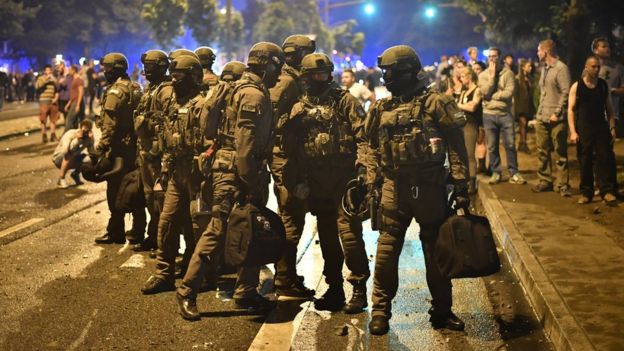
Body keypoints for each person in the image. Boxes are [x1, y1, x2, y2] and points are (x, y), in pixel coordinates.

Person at [361, 45, 469, 335]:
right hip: (394, 186)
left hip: (430, 185)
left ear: (408, 71)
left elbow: (457, 146)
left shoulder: (435, 103)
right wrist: (372, 181)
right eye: (384, 72)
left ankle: (443, 310)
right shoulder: (382, 107)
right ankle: (381, 311)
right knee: (385, 251)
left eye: (390, 72)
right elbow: (369, 146)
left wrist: (461, 184)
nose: (386, 77)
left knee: (435, 251)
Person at [175, 42, 284, 320]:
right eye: (277, 66)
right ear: (268, 65)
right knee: (217, 230)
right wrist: (249, 179)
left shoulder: (234, 87)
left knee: (250, 229)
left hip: (232, 168)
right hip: (238, 172)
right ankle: (187, 290)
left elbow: (207, 127)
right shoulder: (253, 96)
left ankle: (245, 291)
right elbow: (246, 144)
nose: (279, 72)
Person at [281, 53, 371, 313]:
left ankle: (359, 289)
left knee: (350, 236)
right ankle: (335, 289)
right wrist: (295, 180)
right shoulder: (298, 106)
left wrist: (364, 171)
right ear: (306, 78)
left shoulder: (345, 101)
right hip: (317, 181)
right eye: (316, 75)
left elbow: (363, 137)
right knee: (329, 240)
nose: (321, 78)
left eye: (324, 74)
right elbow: (290, 146)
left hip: (344, 179)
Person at [140, 53, 208, 294]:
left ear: (192, 77)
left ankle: (200, 273)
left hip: (197, 176)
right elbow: (165, 137)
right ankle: (163, 274)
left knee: (198, 226)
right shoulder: (171, 103)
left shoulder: (203, 104)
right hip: (176, 173)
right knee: (166, 223)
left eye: (179, 76)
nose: (174, 80)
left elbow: (211, 141)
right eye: (173, 75)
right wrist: (165, 169)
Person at [267, 34, 317, 299]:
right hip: (286, 157)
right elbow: (272, 117)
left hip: (295, 155)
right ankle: (284, 278)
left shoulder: (296, 77)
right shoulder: (286, 81)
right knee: (291, 216)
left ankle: (286, 275)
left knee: (294, 214)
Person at [93, 52, 146, 245]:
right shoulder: (135, 87)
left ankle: (116, 231)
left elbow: (110, 124)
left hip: (118, 149)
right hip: (134, 146)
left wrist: (101, 148)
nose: (104, 72)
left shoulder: (115, 91)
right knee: (134, 189)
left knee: (115, 190)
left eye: (106, 69)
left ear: (114, 70)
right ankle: (139, 230)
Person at [131, 49, 171, 253]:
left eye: (151, 66)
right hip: (146, 151)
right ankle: (153, 235)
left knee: (160, 199)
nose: (146, 70)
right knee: (149, 197)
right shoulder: (150, 89)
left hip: (157, 153)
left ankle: (163, 241)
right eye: (145, 66)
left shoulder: (166, 90)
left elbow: (166, 123)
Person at [568, 56, 618, 205]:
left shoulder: (603, 85)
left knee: (604, 158)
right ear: (586, 67)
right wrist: (573, 131)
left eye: (598, 67)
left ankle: (606, 191)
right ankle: (586, 192)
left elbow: (609, 109)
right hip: (584, 127)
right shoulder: (577, 86)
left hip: (601, 127)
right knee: (585, 160)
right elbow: (570, 110)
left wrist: (612, 127)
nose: (596, 70)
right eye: (593, 67)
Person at [478, 47, 526, 185]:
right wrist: (492, 78)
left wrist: (492, 96)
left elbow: (508, 93)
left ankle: (514, 172)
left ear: (500, 58)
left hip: (505, 114)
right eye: (490, 56)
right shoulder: (483, 75)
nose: (492, 59)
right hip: (489, 115)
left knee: (510, 144)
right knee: (492, 146)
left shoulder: (508, 74)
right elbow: (485, 92)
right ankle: (496, 172)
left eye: (495, 56)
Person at [533, 39, 571, 195]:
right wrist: (538, 115)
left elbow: (566, 92)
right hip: (542, 117)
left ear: (545, 51)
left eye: (538, 50)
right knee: (542, 150)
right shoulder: (545, 68)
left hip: (556, 118)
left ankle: (562, 184)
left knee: (559, 151)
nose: (537, 53)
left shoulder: (561, 68)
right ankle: (545, 180)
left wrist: (557, 112)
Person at [457, 67, 483, 194]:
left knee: (470, 154)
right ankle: (466, 180)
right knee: (463, 155)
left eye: (462, 76)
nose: (461, 79)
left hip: (471, 125)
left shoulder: (477, 90)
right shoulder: (463, 92)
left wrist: (459, 106)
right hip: (462, 125)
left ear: (469, 77)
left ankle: (472, 182)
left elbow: (473, 107)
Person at [592, 37, 624, 138]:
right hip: (593, 115)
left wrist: (612, 90)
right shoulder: (588, 68)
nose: (608, 48)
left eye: (609, 46)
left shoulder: (618, 68)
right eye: (604, 46)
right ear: (595, 50)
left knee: (608, 149)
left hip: (612, 116)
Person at [53, 119, 95, 188]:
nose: (85, 133)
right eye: (84, 130)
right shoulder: (71, 133)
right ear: (80, 128)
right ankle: (61, 179)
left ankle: (75, 174)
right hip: (59, 158)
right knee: (69, 154)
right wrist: (77, 140)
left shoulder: (87, 137)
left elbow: (92, 152)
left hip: (72, 157)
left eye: (87, 130)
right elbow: (65, 151)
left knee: (89, 159)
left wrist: (91, 141)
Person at [514, 59, 536, 153]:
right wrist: (517, 110)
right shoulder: (518, 79)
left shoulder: (529, 79)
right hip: (521, 108)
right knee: (522, 125)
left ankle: (521, 143)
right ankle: (523, 144)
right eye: (528, 66)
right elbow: (516, 96)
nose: (530, 68)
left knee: (525, 126)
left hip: (527, 107)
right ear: (523, 67)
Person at [35, 65, 60, 143]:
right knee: (43, 120)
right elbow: (37, 86)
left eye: (50, 70)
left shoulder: (53, 79)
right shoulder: (40, 78)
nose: (48, 71)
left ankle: (53, 134)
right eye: (47, 70)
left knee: (53, 119)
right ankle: (44, 135)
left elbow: (57, 89)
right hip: (43, 101)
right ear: (44, 71)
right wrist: (46, 79)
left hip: (52, 101)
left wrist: (55, 98)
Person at [64, 64, 85, 132]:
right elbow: (73, 94)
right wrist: (68, 104)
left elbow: (80, 93)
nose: (69, 71)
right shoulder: (73, 80)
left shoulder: (79, 80)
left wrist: (78, 105)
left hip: (76, 102)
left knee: (69, 119)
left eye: (70, 70)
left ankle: (65, 135)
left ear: (74, 71)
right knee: (75, 121)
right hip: (73, 101)